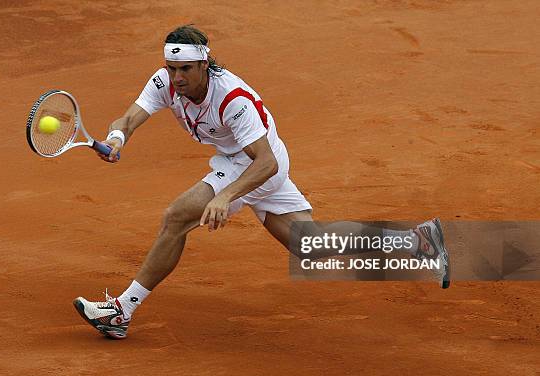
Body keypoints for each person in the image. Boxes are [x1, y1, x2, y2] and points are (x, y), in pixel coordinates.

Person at [73, 25, 450, 340]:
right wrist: (119, 139)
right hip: (239, 163)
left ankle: (121, 310)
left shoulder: (232, 98)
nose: (177, 78)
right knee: (312, 246)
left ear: (204, 64)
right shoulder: (166, 82)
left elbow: (265, 161)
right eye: (171, 69)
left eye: (185, 69)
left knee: (176, 216)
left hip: (257, 163)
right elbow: (128, 118)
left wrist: (226, 197)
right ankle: (416, 242)